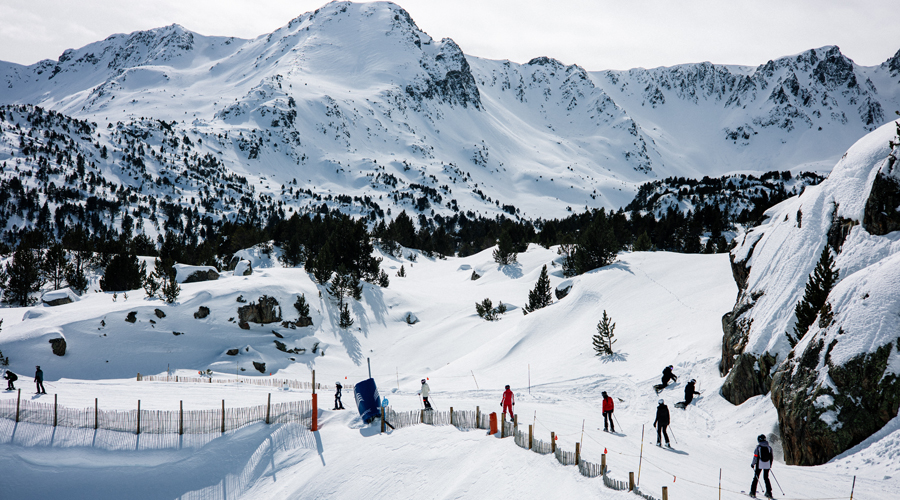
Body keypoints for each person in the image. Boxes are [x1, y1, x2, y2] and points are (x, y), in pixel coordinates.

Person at [750, 434, 774, 498]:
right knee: (766, 478)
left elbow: (755, 457)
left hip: (759, 465)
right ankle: (769, 492)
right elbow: (771, 457)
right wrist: (770, 465)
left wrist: (753, 464)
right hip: (767, 465)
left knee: (756, 478)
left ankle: (753, 492)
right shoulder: (769, 448)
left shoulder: (758, 447)